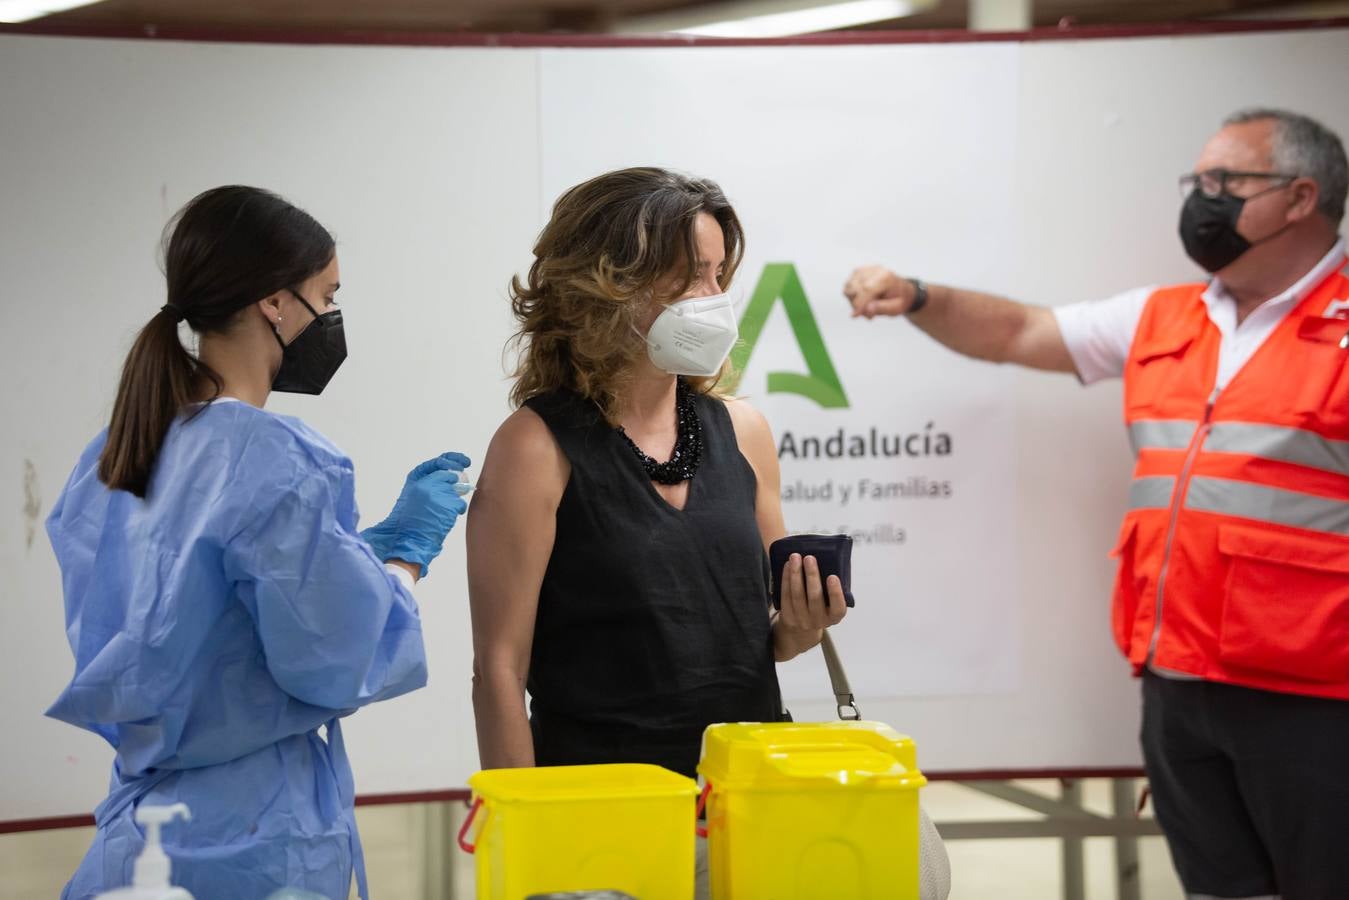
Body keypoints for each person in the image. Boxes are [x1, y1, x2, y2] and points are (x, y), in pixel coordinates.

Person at [844, 108, 1349, 899]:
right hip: (1177, 680)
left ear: (1299, 197)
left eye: (1226, 182)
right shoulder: (1165, 316)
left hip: (1315, 697)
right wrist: (915, 296)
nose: (1202, 199)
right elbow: (1018, 331)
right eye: (1197, 182)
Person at [47, 185, 471, 900]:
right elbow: (340, 659)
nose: (332, 316)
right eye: (326, 295)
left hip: (139, 836)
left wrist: (348, 560)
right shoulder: (274, 457)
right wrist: (402, 557)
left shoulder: (117, 453)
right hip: (252, 840)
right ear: (276, 302)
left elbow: (184, 616)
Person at [466, 167, 848, 780]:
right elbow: (499, 670)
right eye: (692, 274)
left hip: (743, 799)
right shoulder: (534, 447)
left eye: (718, 273)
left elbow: (771, 639)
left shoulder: (743, 431)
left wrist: (801, 626)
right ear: (607, 284)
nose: (714, 295)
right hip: (605, 806)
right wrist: (523, 825)